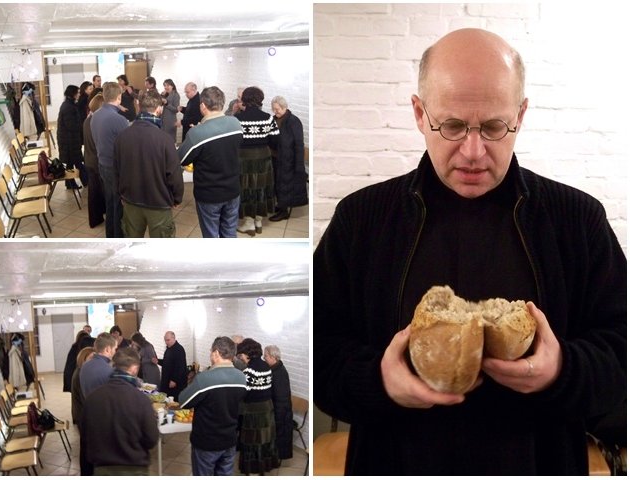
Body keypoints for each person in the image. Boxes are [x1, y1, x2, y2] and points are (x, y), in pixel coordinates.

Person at [313, 28, 627, 476]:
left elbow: (620, 349)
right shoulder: (361, 220)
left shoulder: (577, 220)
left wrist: (563, 369)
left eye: (494, 127)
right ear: (419, 113)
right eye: (453, 126)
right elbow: (320, 346)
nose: (474, 152)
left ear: (521, 114)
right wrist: (378, 381)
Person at [114, 89, 184, 238]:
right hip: (159, 203)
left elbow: (116, 170)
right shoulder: (165, 140)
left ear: (139, 106)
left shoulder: (122, 136)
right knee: (160, 249)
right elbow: (174, 173)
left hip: (130, 200)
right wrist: (177, 197)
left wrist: (121, 193)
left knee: (132, 245)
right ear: (159, 109)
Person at [177, 86, 243, 237]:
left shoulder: (197, 133)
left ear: (203, 106)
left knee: (211, 236)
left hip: (209, 194)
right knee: (230, 233)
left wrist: (196, 133)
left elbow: (181, 159)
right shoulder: (235, 123)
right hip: (233, 190)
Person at [82, 347, 159, 475]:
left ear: (114, 365)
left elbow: (85, 438)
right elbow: (151, 439)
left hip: (102, 469)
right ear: (134, 368)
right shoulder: (141, 400)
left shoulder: (92, 398)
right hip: (135, 469)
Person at [179, 336, 247, 476]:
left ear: (216, 353)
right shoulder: (241, 377)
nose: (210, 355)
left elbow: (183, 401)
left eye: (211, 351)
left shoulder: (205, 378)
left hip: (207, 441)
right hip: (229, 439)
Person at [235, 86, 279, 236]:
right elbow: (275, 141)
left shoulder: (238, 119)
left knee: (246, 188)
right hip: (263, 157)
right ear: (260, 99)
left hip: (244, 158)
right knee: (261, 188)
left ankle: (249, 223)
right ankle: (258, 221)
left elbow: (233, 140)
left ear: (244, 99)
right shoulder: (268, 118)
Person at [90, 81, 130, 238]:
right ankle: (118, 238)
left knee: (110, 202)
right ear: (119, 97)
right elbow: (128, 146)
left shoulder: (95, 115)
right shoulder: (118, 119)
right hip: (115, 167)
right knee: (119, 205)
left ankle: (110, 235)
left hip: (102, 164)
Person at [236, 338, 279, 474]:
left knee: (252, 440)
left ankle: (252, 467)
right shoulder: (267, 366)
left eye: (241, 354)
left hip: (253, 410)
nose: (241, 358)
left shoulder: (249, 372)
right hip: (268, 407)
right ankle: (264, 466)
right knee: (265, 439)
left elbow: (244, 393)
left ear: (248, 354)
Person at [269, 96, 308, 222]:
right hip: (275, 158)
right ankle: (280, 206)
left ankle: (283, 211)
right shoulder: (273, 120)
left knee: (285, 186)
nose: (275, 111)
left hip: (288, 160)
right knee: (277, 183)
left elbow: (299, 144)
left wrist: (299, 164)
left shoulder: (293, 121)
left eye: (278, 109)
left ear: (284, 107)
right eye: (274, 109)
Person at [264, 345, 294, 461]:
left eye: (266, 356)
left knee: (280, 437)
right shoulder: (275, 369)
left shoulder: (279, 373)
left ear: (273, 357)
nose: (264, 358)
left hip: (281, 412)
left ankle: (276, 459)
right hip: (278, 410)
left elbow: (281, 398)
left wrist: (277, 416)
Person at [83, 93, 107, 228]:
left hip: (89, 159)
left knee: (95, 191)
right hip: (96, 160)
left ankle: (97, 217)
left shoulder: (88, 120)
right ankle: (96, 218)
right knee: (96, 192)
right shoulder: (96, 122)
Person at [57, 84, 85, 189]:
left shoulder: (69, 104)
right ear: (73, 94)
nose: (79, 94)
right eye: (78, 93)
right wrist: (82, 126)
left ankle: (73, 183)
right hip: (68, 141)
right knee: (72, 162)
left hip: (69, 140)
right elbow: (71, 125)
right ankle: (76, 182)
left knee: (73, 162)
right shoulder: (68, 107)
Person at [79, 332, 117, 398]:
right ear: (107, 349)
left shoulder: (84, 366)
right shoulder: (109, 370)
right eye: (115, 349)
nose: (115, 352)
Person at [158, 331, 187, 399]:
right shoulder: (168, 349)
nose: (166, 342)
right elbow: (167, 363)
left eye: (168, 340)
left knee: (172, 401)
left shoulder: (179, 349)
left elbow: (181, 367)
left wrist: (174, 380)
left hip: (175, 383)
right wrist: (158, 361)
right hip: (167, 380)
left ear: (173, 338)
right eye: (165, 340)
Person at [71, 346, 95, 425]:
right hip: (82, 415)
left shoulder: (80, 370)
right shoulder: (81, 374)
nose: (94, 361)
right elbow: (84, 398)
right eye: (91, 358)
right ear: (83, 358)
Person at [160, 78, 180, 143]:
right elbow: (159, 104)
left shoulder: (176, 95)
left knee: (170, 140)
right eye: (165, 86)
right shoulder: (166, 94)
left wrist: (167, 103)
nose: (166, 87)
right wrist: (161, 95)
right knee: (163, 139)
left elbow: (176, 110)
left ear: (172, 86)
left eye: (168, 85)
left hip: (170, 121)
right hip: (163, 120)